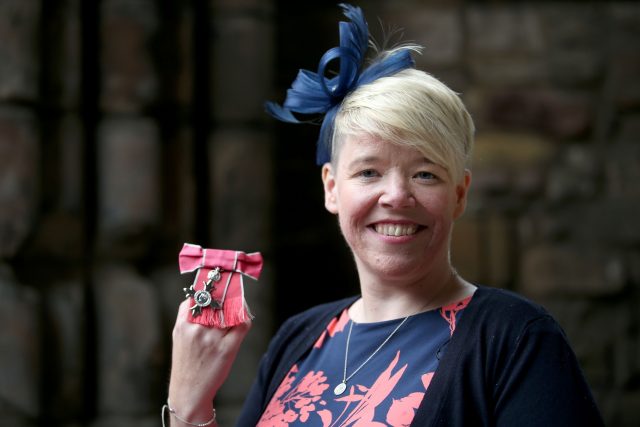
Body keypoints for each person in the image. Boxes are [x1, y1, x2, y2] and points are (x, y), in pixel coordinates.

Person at [166, 4, 604, 426]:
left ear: (459, 193)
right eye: (369, 171)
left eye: (425, 174)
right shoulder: (297, 339)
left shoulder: (517, 339)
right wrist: (190, 403)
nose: (396, 195)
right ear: (332, 188)